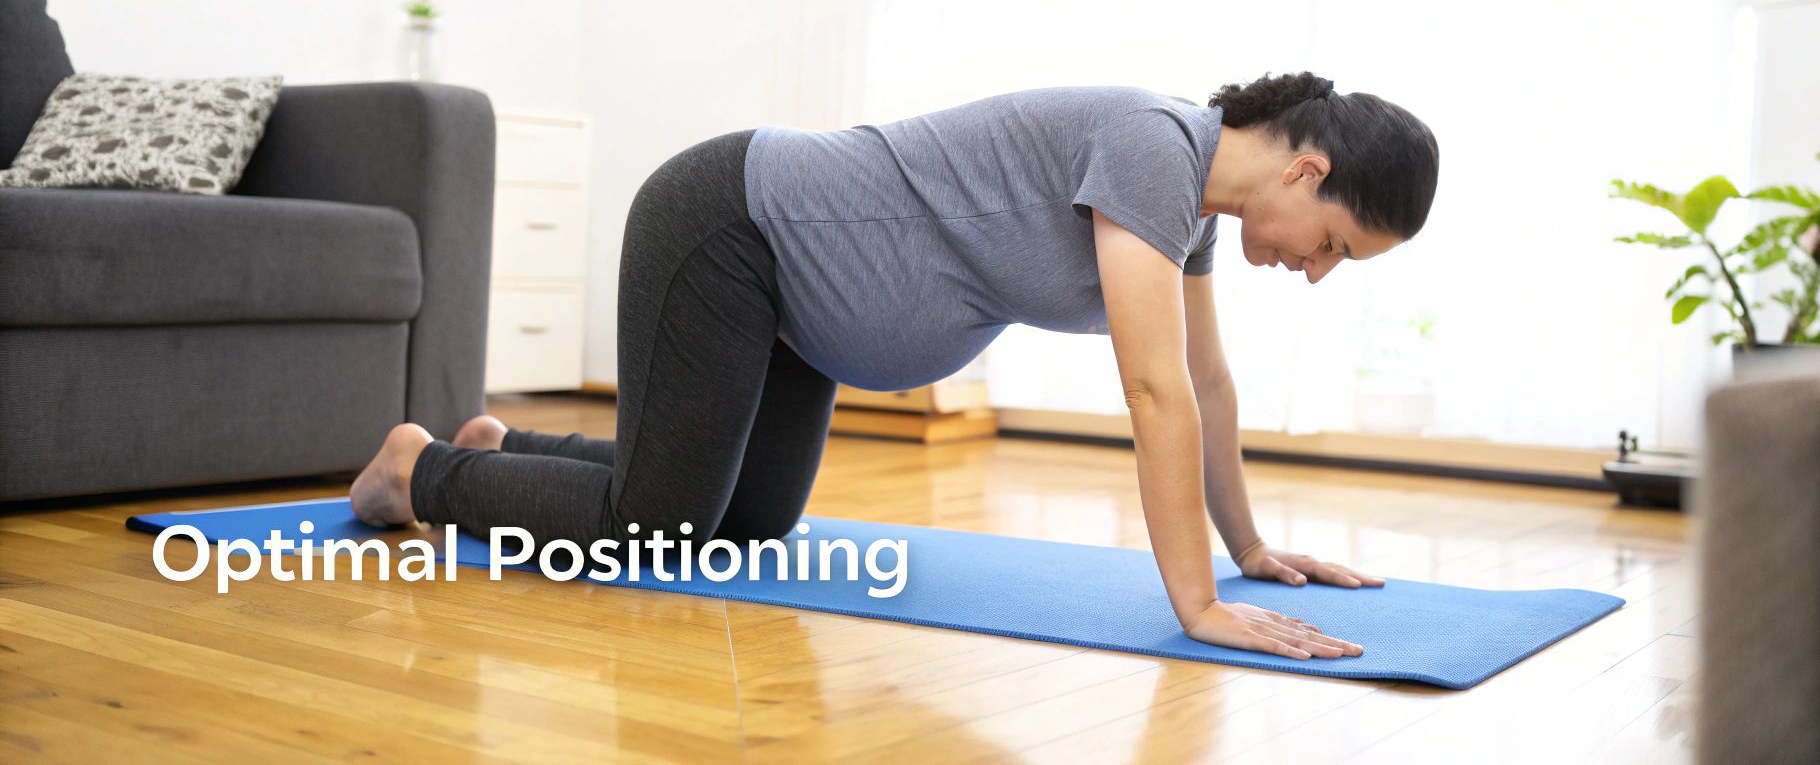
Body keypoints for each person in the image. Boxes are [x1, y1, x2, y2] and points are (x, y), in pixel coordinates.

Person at [351, 71, 1439, 661]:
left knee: (751, 527)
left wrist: (1246, 546)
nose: (1315, 271)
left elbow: (1204, 384)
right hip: (732, 226)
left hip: (797, 305)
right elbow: (1153, 393)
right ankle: (424, 471)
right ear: (1305, 169)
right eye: (1334, 244)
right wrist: (1194, 604)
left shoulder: (1189, 211)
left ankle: (513, 450)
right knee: (657, 524)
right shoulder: (1154, 147)